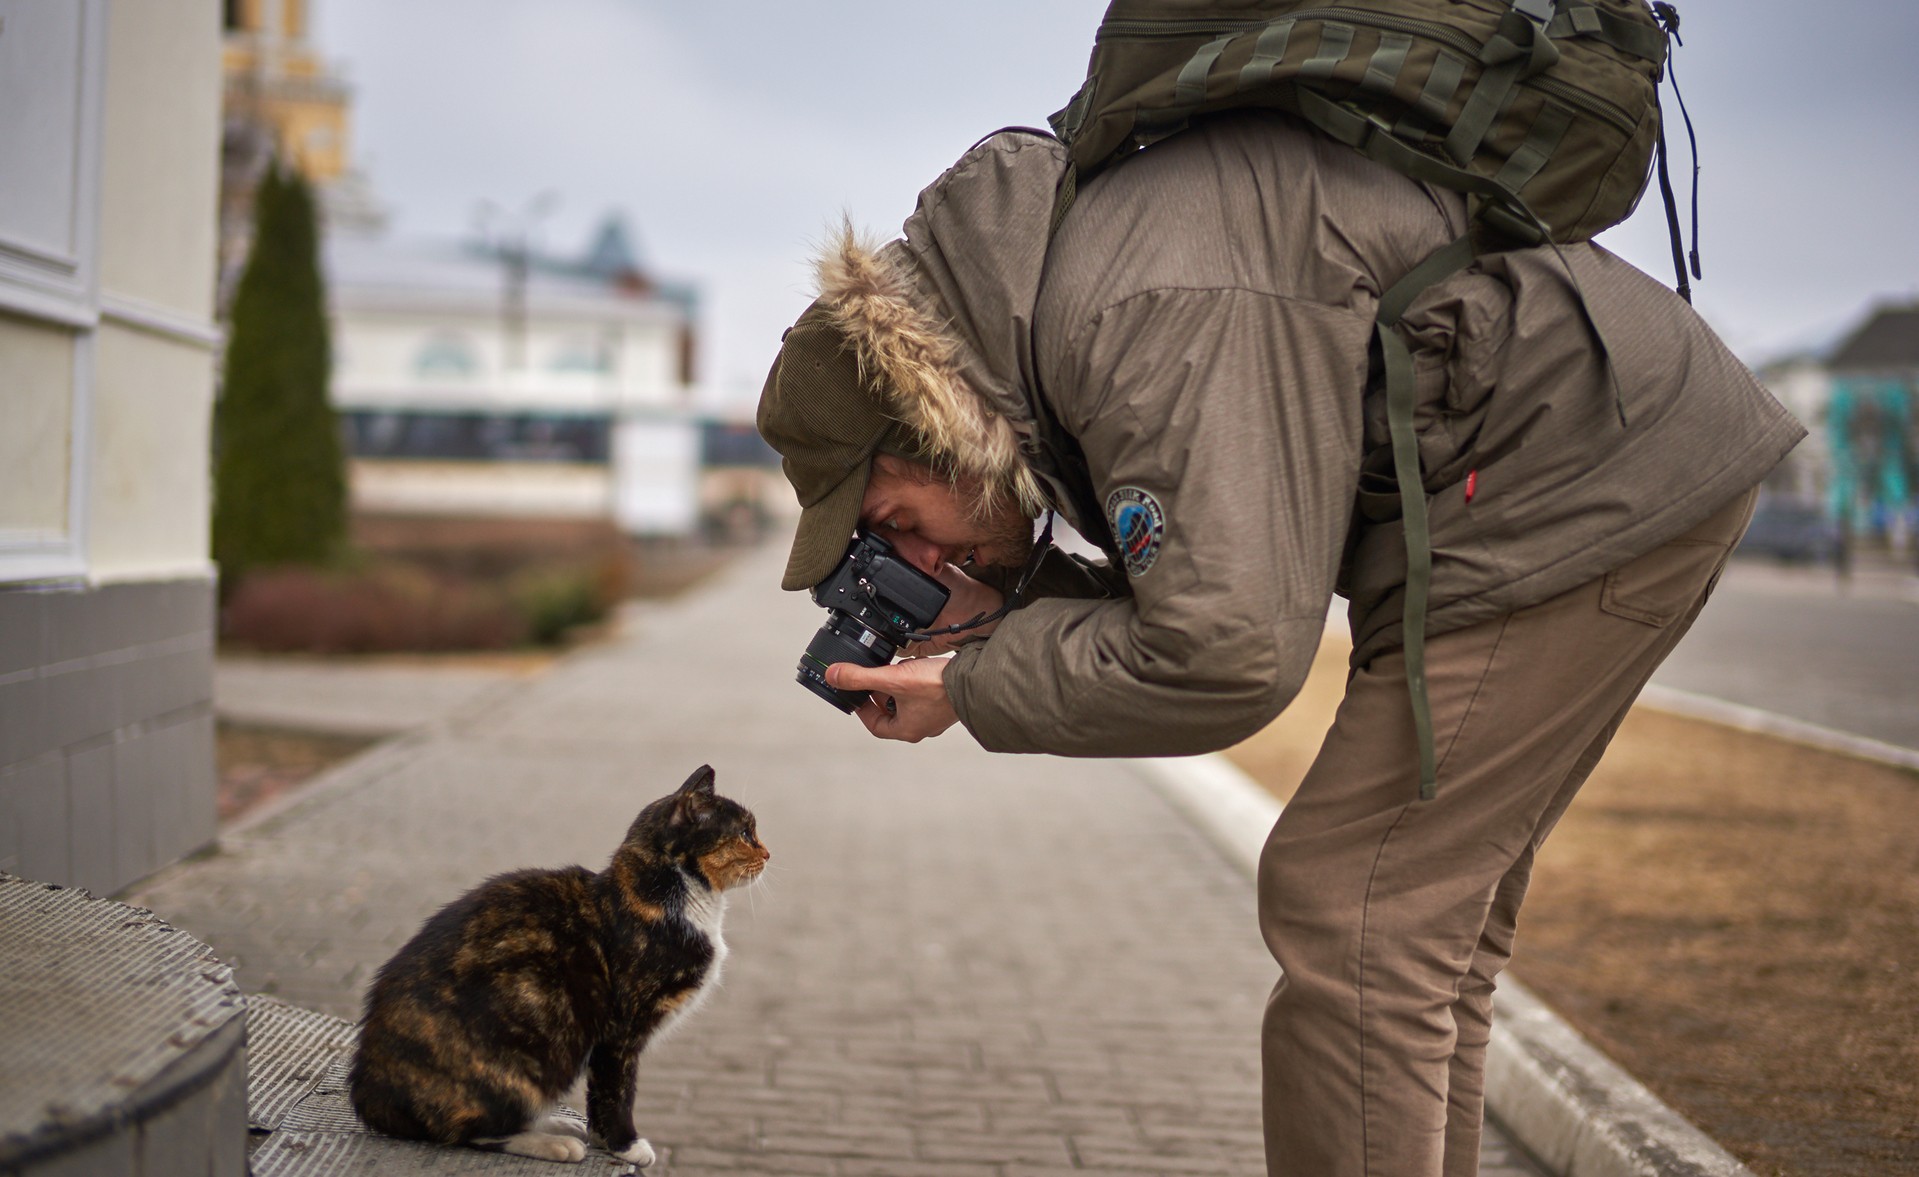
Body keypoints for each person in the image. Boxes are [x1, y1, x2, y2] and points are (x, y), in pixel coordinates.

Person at [756, 113, 1802, 1177]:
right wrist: (997, 611)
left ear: (923, 421)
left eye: (890, 524)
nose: (913, 558)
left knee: (1353, 916)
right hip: (1553, 471)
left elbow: (1228, 653)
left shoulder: (1132, 317)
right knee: (1419, 938)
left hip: (1568, 484)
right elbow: (1206, 563)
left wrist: (971, 683)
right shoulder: (1063, 309)